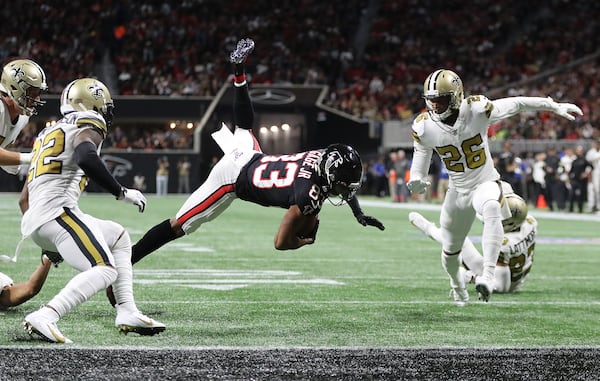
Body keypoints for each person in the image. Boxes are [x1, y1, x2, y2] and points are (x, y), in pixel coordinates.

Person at [129, 38, 385, 266]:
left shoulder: (323, 156)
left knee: (244, 126)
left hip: (250, 153)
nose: (346, 192)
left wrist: (357, 212)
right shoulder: (308, 197)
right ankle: (127, 261)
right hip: (232, 177)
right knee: (179, 225)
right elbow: (280, 242)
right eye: (343, 187)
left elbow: (336, 178)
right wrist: (303, 242)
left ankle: (239, 72)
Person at [407, 68, 581, 305]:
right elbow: (421, 154)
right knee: (449, 252)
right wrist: (416, 177)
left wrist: (551, 105)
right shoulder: (424, 126)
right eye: (432, 101)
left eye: (441, 100)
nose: (435, 106)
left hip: (484, 181)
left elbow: (517, 104)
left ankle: (487, 277)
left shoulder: (477, 109)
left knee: (491, 207)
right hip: (457, 191)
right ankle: (458, 286)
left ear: (456, 96)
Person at [19, 77, 164, 343]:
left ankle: (127, 310)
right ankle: (47, 315)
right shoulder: (88, 121)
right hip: (57, 214)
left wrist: (46, 239)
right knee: (105, 269)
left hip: (39, 219)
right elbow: (86, 156)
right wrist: (121, 192)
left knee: (118, 236)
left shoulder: (47, 133)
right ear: (91, 102)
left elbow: (23, 199)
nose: (106, 112)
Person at [409, 184, 537, 295]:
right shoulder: (530, 222)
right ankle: (430, 229)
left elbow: (502, 286)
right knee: (456, 237)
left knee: (457, 240)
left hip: (504, 282)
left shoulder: (505, 244)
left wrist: (472, 278)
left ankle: (430, 230)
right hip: (517, 274)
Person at [0, 59, 47, 171]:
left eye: (38, 93)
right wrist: (31, 158)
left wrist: (18, 166)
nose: (37, 99)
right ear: (14, 88)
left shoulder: (23, 117)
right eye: (32, 93)